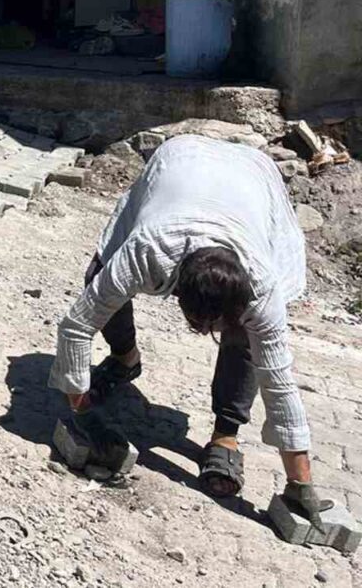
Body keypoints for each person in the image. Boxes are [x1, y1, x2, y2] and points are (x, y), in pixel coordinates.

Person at [49, 134, 331, 528]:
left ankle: (225, 436)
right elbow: (77, 326)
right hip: (179, 162)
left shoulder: (261, 288)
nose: (204, 333)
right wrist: (82, 414)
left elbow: (278, 383)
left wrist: (300, 482)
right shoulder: (148, 251)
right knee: (99, 279)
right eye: (200, 324)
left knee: (248, 335)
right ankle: (125, 358)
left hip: (252, 176)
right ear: (177, 290)